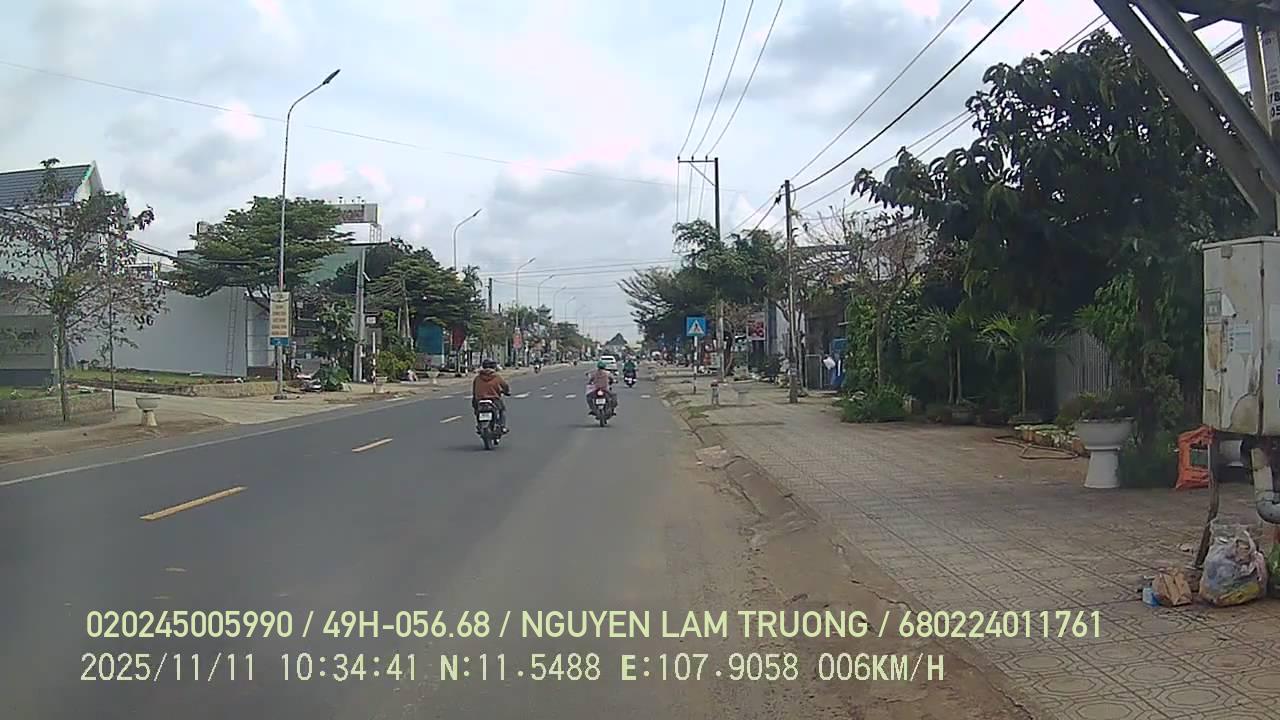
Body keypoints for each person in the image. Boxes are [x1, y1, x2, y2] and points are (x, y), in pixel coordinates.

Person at [472, 359, 511, 429]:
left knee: (476, 409)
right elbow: (505, 385)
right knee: (502, 409)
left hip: (480, 399)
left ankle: (479, 425)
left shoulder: (477, 378)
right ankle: (502, 426)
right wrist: (506, 391)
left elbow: (474, 391)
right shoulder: (496, 376)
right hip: (494, 399)